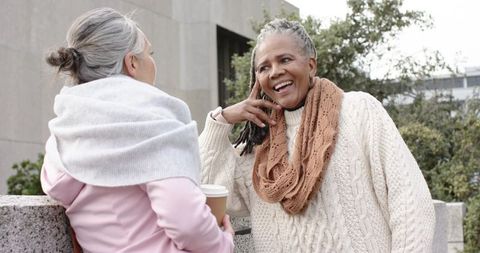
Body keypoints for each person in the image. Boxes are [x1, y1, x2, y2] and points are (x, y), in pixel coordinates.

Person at [199, 18, 435, 252]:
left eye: (285, 59)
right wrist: (220, 121)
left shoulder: (359, 111)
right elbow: (204, 197)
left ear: (311, 65)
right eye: (264, 68)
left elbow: (410, 202)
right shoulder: (257, 148)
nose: (275, 72)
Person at [40, 7, 234, 253]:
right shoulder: (152, 116)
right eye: (149, 53)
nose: (152, 62)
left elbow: (57, 189)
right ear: (131, 62)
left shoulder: (64, 128)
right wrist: (222, 243)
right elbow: (186, 221)